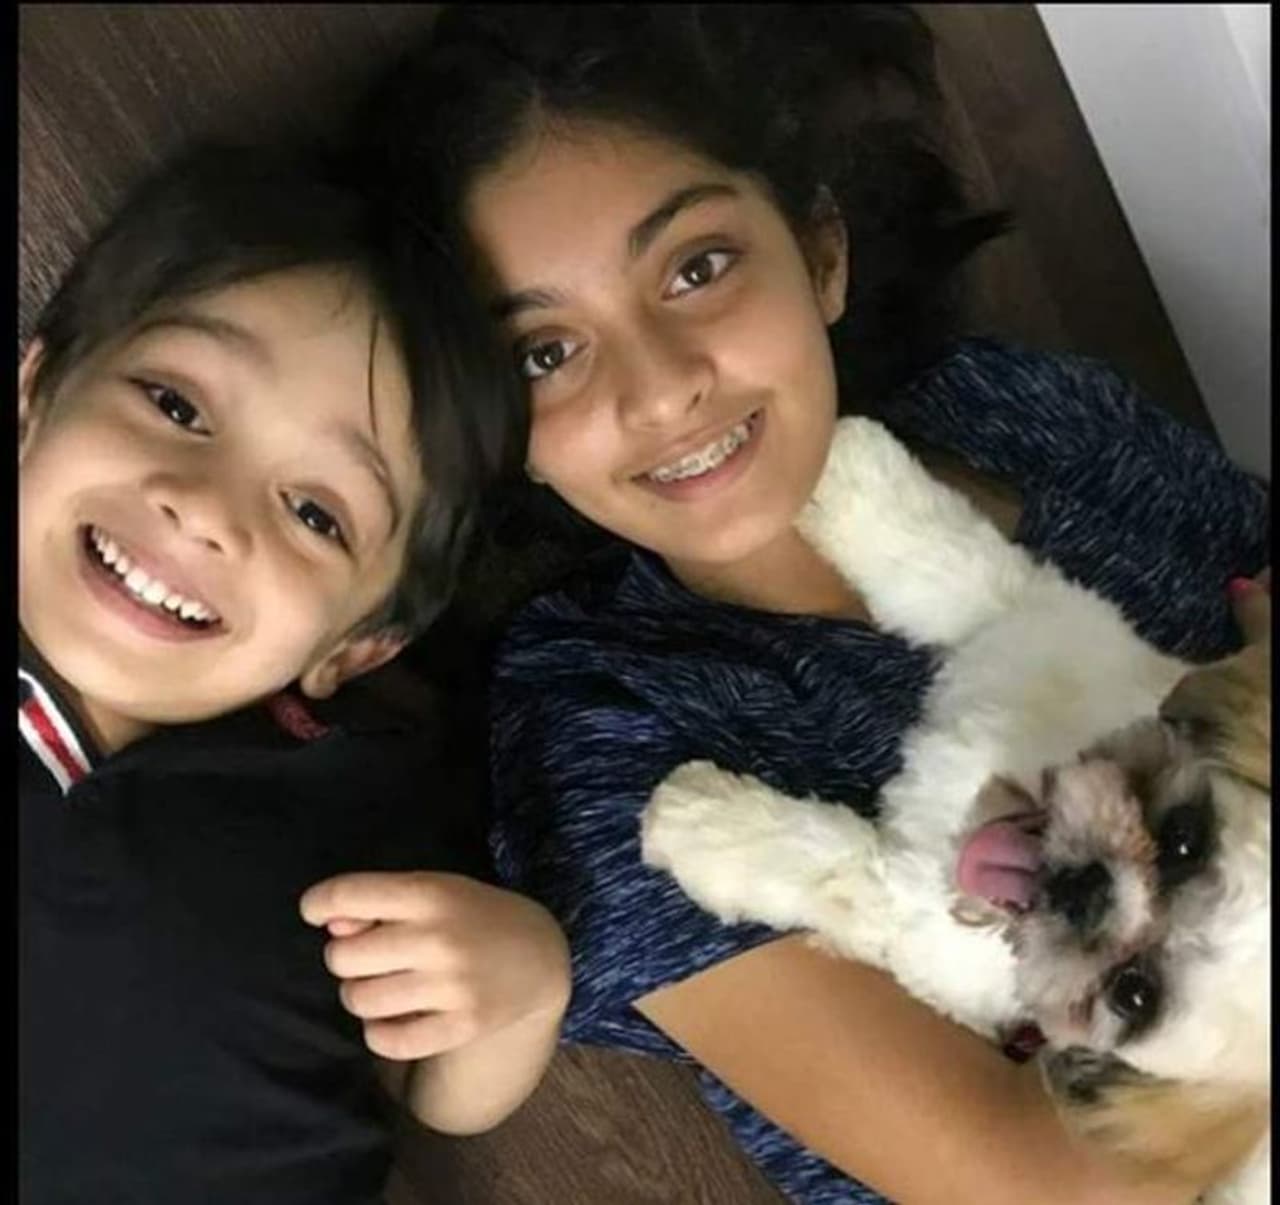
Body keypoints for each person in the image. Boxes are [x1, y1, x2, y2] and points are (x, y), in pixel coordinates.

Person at [355, 6, 1271, 1205]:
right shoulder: (608, 723)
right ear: (487, 424)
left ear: (818, 249)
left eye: (695, 268)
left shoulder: (1015, 411)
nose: (661, 388)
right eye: (542, 352)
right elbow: (1052, 1187)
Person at [18, 141, 570, 1205]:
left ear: (358, 644)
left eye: (316, 513)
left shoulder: (355, 797)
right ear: (35, 391)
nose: (204, 508)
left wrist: (522, 983)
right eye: (175, 404)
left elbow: (439, 1091)